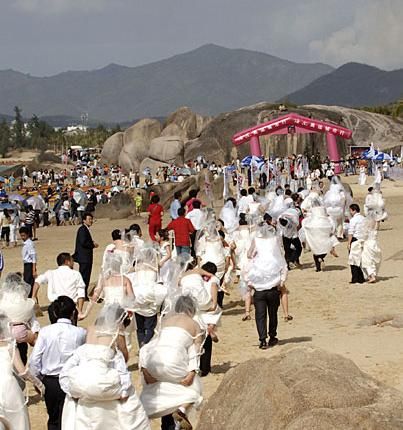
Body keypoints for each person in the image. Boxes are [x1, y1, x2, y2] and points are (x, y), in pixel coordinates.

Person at [59, 304, 150, 430]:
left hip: (82, 377)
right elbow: (123, 358)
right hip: (103, 380)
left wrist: (68, 385)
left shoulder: (90, 329)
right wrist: (124, 390)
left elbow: (76, 359)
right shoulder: (115, 331)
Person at [139, 296, 204, 430]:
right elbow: (195, 352)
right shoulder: (195, 325)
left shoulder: (165, 321)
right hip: (174, 362)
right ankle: (182, 409)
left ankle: (157, 420)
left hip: (154, 363)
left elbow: (148, 347)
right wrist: (192, 373)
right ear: (192, 309)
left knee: (165, 390)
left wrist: (144, 369)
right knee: (194, 389)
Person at [29, 296, 86, 430]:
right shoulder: (80, 333)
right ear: (73, 313)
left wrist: (37, 380)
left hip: (51, 382)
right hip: (73, 381)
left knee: (54, 419)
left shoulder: (45, 332)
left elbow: (34, 360)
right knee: (73, 419)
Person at [246, 223, 287, 349]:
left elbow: (248, 254)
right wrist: (282, 281)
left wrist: (255, 257)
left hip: (259, 288)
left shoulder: (256, 241)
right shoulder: (275, 241)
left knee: (260, 315)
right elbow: (282, 259)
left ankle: (262, 339)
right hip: (273, 287)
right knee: (273, 313)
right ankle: (272, 336)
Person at [73, 213, 98, 299]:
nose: (91, 221)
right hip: (84, 258)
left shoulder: (84, 229)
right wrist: (92, 244)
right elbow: (84, 242)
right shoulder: (82, 229)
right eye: (89, 219)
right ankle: (81, 295)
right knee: (84, 277)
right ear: (84, 220)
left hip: (85, 257)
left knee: (86, 276)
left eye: (91, 219)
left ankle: (83, 294)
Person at [348, 204, 366, 284]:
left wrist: (349, 243)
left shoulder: (353, 220)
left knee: (353, 260)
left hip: (355, 240)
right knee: (359, 259)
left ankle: (355, 278)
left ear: (353, 210)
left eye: (350, 210)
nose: (350, 212)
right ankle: (361, 278)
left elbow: (350, 232)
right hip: (362, 240)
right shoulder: (363, 218)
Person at [19, 225, 37, 296]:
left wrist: (33, 270)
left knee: (29, 284)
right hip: (26, 265)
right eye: (21, 236)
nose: (22, 237)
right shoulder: (26, 243)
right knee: (27, 283)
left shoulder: (29, 244)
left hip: (30, 265)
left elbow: (33, 257)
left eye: (24, 236)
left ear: (28, 234)